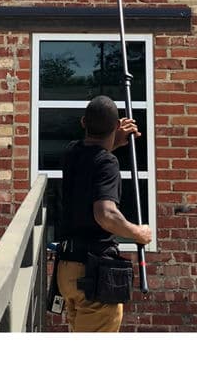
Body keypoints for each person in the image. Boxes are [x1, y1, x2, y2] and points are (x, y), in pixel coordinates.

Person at [55, 95, 153, 332]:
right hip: (93, 275)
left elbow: (92, 156)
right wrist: (138, 233)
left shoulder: (71, 152)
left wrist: (114, 140)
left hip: (67, 270)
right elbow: (105, 214)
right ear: (117, 125)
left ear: (83, 122)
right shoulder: (107, 163)